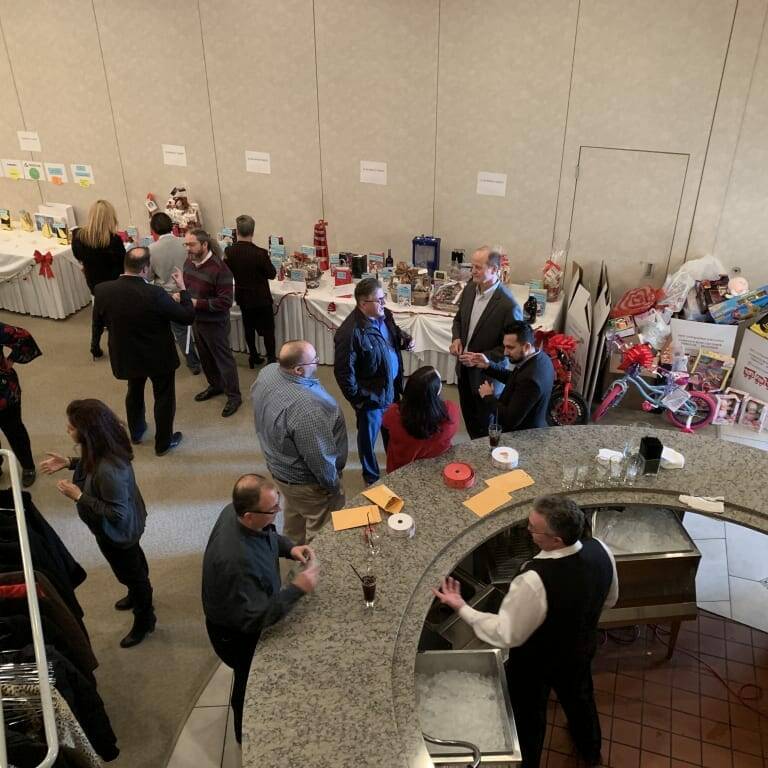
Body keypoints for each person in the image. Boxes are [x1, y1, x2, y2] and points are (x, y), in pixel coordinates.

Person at [432, 495, 618, 767]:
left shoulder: (534, 579)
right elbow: (611, 599)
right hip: (580, 650)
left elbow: (507, 634)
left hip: (536, 663)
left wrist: (461, 606)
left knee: (529, 717)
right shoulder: (600, 549)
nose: (528, 531)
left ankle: (529, 763)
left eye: (533, 528)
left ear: (556, 540)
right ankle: (590, 752)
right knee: (580, 700)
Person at [202, 474, 319, 743]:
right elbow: (257, 617)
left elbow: (267, 535)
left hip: (245, 606)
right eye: (272, 510)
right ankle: (246, 737)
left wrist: (289, 548)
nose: (278, 513)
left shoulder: (235, 512)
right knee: (248, 682)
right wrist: (298, 588)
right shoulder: (237, 562)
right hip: (235, 634)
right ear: (247, 515)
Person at [40, 399, 156, 649]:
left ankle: (145, 618)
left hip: (118, 532)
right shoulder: (101, 446)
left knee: (133, 573)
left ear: (88, 432)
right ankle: (136, 592)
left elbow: (117, 514)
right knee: (131, 566)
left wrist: (79, 496)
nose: (67, 429)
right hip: (113, 531)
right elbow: (91, 465)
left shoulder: (109, 471)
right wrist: (70, 462)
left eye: (71, 427)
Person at [92, 247, 195, 456]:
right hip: (158, 356)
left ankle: (137, 432)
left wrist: (94, 346)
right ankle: (163, 443)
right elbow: (186, 317)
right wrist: (183, 290)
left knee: (134, 391)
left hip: (127, 355)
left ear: (125, 265)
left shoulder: (102, 290)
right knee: (164, 397)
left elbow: (97, 323)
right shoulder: (155, 294)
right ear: (145, 268)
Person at [252, 341, 347, 544]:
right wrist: (333, 486)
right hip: (307, 482)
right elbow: (318, 457)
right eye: (315, 361)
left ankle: (292, 551)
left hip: (280, 470)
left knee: (294, 513)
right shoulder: (306, 408)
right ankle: (312, 570)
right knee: (322, 531)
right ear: (298, 370)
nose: (318, 364)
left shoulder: (267, 372)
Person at [334, 277, 413, 485]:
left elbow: (392, 336)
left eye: (383, 297)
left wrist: (403, 340)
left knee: (392, 431)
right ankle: (371, 478)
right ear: (363, 304)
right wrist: (360, 400)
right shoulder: (349, 333)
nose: (384, 303)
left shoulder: (385, 315)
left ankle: (393, 467)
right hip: (371, 399)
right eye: (379, 299)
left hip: (392, 389)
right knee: (368, 440)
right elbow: (343, 373)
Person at [450, 246, 522, 438]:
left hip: (486, 378)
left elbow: (513, 348)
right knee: (470, 421)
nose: (473, 271)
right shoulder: (469, 288)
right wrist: (456, 338)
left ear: (494, 270)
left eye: (478, 267)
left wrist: (485, 358)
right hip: (464, 371)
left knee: (485, 427)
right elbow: (458, 320)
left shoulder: (508, 305)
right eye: (472, 266)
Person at [183, 228, 242, 417]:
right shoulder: (189, 262)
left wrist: (195, 303)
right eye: (186, 244)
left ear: (204, 245)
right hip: (197, 321)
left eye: (191, 244)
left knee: (223, 360)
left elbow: (225, 302)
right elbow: (189, 287)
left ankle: (234, 396)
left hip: (215, 324)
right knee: (205, 357)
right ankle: (215, 385)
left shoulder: (221, 270)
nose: (188, 248)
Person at [461, 321, 555, 432]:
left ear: (526, 346)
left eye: (510, 348)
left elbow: (509, 419)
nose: (505, 352)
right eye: (504, 347)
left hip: (522, 436)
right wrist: (488, 365)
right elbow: (515, 379)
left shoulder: (531, 380)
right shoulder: (539, 357)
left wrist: (488, 397)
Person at [71, 200, 126, 359]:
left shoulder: (78, 237)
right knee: (114, 317)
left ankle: (95, 344)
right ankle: (116, 346)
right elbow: (122, 264)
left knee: (98, 312)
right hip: (113, 284)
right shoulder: (113, 240)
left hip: (94, 283)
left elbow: (78, 257)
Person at [148, 211, 201, 375]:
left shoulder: (150, 249)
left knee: (180, 332)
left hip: (169, 296)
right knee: (199, 327)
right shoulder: (186, 243)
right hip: (191, 291)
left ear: (153, 230)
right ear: (173, 226)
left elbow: (149, 276)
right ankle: (206, 358)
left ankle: (193, 363)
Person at [381, 365, 460, 473]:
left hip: (401, 470)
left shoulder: (393, 413)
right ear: (436, 392)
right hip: (437, 467)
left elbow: (386, 425)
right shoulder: (451, 412)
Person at [224, 214, 277, 367]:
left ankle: (253, 355)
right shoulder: (260, 253)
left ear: (237, 232)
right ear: (253, 232)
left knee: (248, 326)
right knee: (268, 329)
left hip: (243, 296)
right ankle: (271, 359)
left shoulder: (229, 251)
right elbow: (272, 274)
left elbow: (227, 271)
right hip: (261, 297)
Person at [0, 323, 42, 487]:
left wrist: (11, 359)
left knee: (15, 431)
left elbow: (23, 337)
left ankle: (28, 466)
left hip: (4, 393)